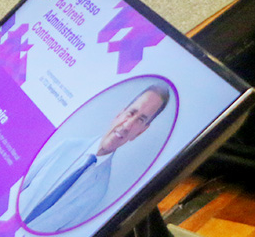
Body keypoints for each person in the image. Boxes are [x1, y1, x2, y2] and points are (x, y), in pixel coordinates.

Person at [18, 85, 172, 232]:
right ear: (120, 114)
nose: (127, 126)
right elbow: (18, 183)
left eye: (141, 120)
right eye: (131, 113)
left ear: (141, 131)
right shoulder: (66, 146)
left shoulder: (100, 189)